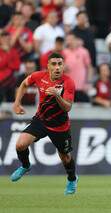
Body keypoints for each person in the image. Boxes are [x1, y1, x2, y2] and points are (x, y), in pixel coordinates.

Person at [10, 52, 78, 195]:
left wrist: (57, 95)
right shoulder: (38, 76)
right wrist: (17, 103)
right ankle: (25, 166)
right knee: (20, 144)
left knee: (65, 157)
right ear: (48, 66)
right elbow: (23, 84)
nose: (57, 67)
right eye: (54, 64)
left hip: (60, 126)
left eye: (60, 64)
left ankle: (72, 179)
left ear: (63, 65)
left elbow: (68, 107)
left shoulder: (68, 82)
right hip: (40, 120)